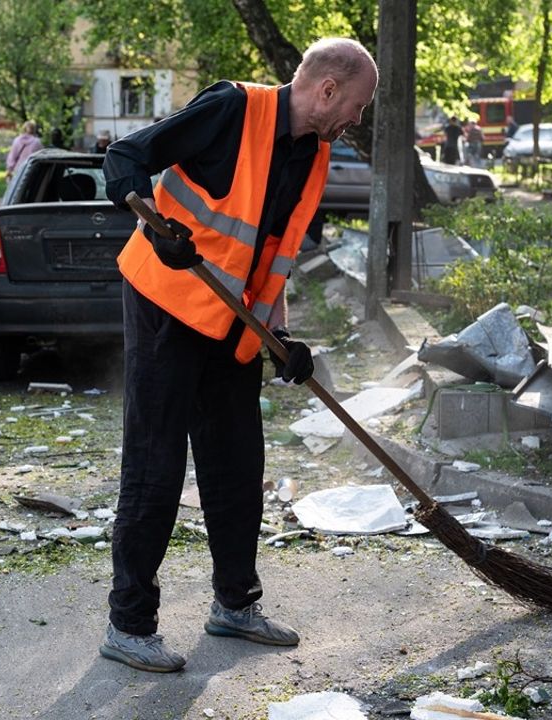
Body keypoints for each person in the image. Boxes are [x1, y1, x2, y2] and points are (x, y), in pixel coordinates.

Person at [100, 37, 378, 673]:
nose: (356, 120)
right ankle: (130, 623)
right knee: (156, 462)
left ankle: (234, 605)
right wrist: (147, 221)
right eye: (357, 106)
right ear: (328, 90)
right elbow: (127, 156)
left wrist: (283, 340)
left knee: (235, 463)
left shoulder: (314, 152)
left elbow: (269, 253)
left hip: (232, 320)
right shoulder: (232, 108)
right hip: (166, 302)